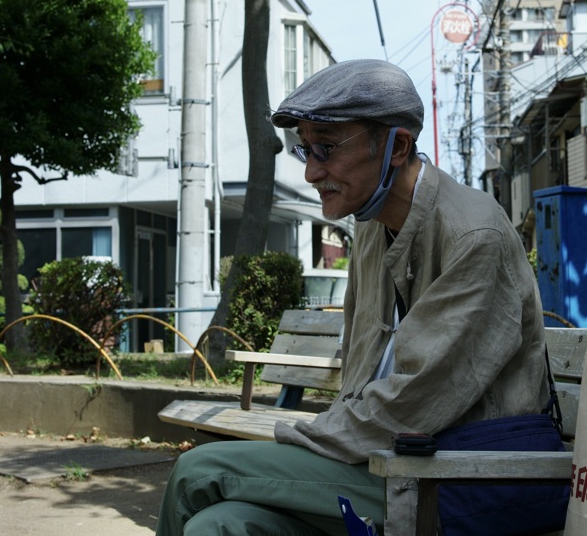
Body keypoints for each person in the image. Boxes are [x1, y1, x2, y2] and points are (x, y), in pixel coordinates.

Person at [156, 59, 550, 535]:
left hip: (452, 478)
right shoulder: (371, 226)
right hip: (384, 461)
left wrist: (298, 435)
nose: (311, 173)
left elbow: (415, 402)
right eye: (305, 151)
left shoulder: (474, 235)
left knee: (197, 472)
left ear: (397, 145)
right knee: (218, 526)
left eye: (326, 148)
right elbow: (362, 373)